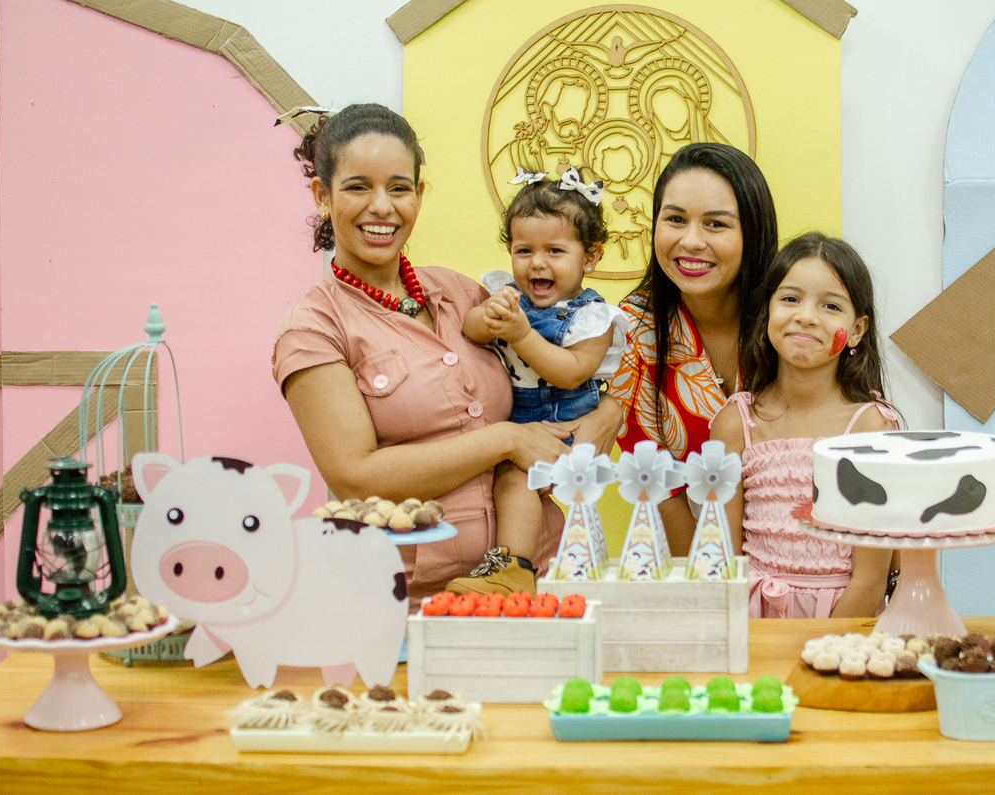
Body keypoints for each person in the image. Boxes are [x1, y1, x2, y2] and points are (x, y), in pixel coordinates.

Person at [272, 104, 570, 604]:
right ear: (323, 196)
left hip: (544, 574)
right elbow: (355, 477)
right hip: (418, 599)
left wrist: (607, 411)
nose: (382, 207)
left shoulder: (462, 293)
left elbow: (554, 376)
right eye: (358, 187)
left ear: (419, 195)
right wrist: (505, 440)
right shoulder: (313, 328)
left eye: (398, 188)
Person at [580, 142, 779, 555]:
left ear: (753, 232)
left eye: (716, 224)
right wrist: (715, 580)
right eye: (675, 219)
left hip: (810, 563)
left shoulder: (790, 318)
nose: (690, 241)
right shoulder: (633, 328)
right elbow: (658, 483)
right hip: (703, 562)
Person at [447, 169, 628, 595]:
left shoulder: (593, 317)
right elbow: (470, 329)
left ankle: (519, 567)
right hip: (519, 423)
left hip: (566, 427)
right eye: (523, 250)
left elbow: (571, 370)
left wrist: (520, 334)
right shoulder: (510, 296)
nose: (537, 263)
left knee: (518, 479)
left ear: (591, 256)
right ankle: (514, 568)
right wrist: (488, 316)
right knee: (504, 481)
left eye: (555, 250)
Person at [710, 232, 899, 619]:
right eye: (790, 299)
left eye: (831, 306)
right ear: (767, 311)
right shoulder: (735, 423)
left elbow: (870, 582)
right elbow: (723, 563)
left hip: (844, 628)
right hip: (753, 622)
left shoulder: (871, 429)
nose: (806, 316)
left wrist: (817, 645)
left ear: (857, 329)